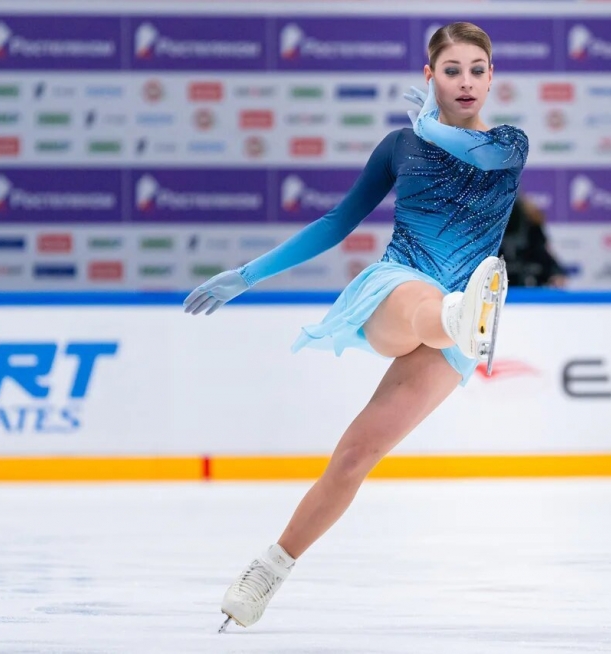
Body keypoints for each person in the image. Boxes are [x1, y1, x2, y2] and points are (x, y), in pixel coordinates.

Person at [183, 22, 528, 631]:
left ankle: (270, 567)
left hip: (456, 323)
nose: (466, 82)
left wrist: (431, 127)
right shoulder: (400, 146)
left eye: (477, 70)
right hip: (397, 289)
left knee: (355, 457)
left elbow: (474, 154)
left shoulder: (510, 143)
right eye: (452, 70)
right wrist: (249, 275)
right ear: (429, 76)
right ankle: (460, 316)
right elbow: (337, 222)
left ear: (492, 76)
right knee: (426, 307)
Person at [499, 193, 569, 288]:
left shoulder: (530, 219)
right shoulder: (484, 220)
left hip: (525, 280)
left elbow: (541, 252)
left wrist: (555, 272)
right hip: (495, 278)